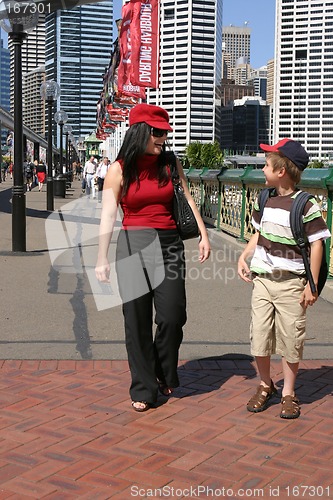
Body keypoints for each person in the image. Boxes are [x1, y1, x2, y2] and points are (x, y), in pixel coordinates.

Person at [95, 103, 211, 412]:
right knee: (136, 320)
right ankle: (144, 387)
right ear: (140, 132)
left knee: (173, 315)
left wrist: (203, 232)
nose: (163, 138)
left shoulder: (170, 162)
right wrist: (101, 258)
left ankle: (161, 370)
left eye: (165, 133)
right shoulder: (119, 168)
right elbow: (108, 215)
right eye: (157, 133)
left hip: (169, 243)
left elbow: (186, 195)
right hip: (133, 243)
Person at [238, 138, 330, 419]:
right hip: (263, 281)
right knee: (260, 336)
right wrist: (244, 256)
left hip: (292, 283)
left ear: (281, 171)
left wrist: (311, 286)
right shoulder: (263, 198)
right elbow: (259, 233)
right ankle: (266, 385)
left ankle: (289, 391)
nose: (262, 169)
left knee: (291, 338)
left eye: (266, 164)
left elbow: (317, 244)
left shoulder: (306, 204)